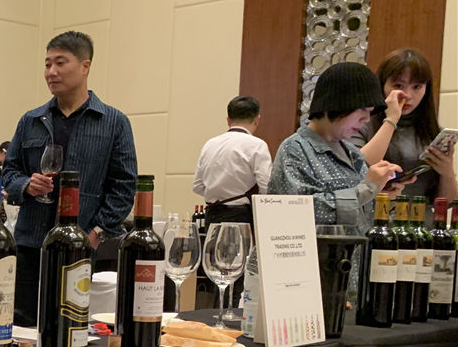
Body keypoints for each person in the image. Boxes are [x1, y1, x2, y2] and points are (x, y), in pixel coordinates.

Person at [2, 31, 137, 326]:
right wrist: (26, 185)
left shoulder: (114, 123)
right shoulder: (30, 120)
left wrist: (96, 234)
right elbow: (8, 173)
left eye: (60, 63)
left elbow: (124, 187)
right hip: (30, 247)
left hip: (80, 248)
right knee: (23, 329)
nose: (51, 72)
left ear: (85, 66)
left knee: (70, 328)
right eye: (47, 64)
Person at [268, 62, 409, 229]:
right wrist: (367, 189)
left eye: (370, 112)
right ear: (336, 103)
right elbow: (296, 212)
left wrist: (379, 193)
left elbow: (356, 212)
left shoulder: (351, 152)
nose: (366, 119)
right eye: (362, 109)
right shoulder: (295, 149)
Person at [351, 49, 457, 203]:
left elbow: (447, 204)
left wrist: (448, 174)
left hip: (421, 216)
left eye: (417, 87)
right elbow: (356, 168)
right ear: (382, 85)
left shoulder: (432, 132)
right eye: (398, 85)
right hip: (374, 216)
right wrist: (391, 119)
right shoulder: (360, 124)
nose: (408, 95)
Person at [192, 96, 272, 227]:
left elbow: (197, 186)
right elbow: (266, 187)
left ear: (228, 120)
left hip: (211, 215)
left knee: (211, 242)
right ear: (257, 120)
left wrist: (219, 196)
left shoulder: (210, 144)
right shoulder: (257, 145)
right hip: (241, 217)